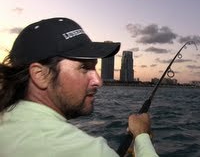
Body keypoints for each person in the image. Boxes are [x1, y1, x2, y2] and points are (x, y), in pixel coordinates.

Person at [0, 17, 159, 157]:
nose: (98, 81)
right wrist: (141, 135)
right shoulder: (88, 151)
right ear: (40, 74)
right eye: (84, 67)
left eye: (95, 67)